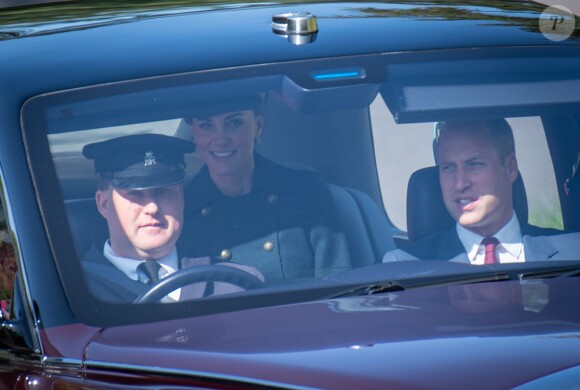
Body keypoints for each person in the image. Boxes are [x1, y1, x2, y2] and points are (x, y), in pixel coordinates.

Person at [178, 95, 352, 281]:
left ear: (258, 126)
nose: (220, 139)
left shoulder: (304, 191)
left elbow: (337, 285)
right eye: (206, 126)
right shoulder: (180, 209)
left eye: (234, 123)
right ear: (194, 134)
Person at [80, 133, 264, 303]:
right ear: (104, 204)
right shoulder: (72, 292)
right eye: (135, 194)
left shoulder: (236, 283)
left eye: (163, 192)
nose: (152, 207)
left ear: (181, 199)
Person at [383, 118, 580, 263]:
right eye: (448, 168)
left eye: (474, 164)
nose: (460, 184)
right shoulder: (404, 266)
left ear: (510, 168)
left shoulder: (574, 252)